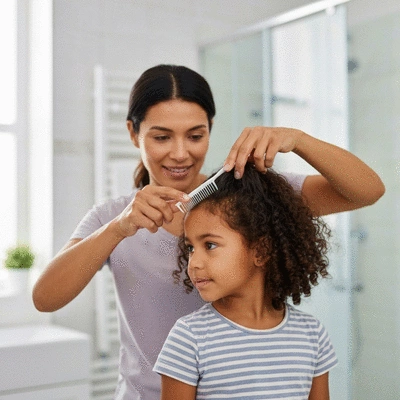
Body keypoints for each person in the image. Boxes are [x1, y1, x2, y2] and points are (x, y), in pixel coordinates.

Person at [32, 64, 384, 399]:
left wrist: (297, 139)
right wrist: (117, 229)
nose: (180, 153)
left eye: (195, 135)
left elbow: (368, 190)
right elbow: (45, 298)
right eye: (162, 137)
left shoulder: (243, 198)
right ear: (132, 133)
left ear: (210, 129)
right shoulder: (112, 217)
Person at [154, 164, 337, 399]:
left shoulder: (312, 335)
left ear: (260, 251)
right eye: (190, 248)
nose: (194, 263)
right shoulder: (190, 337)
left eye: (209, 245)